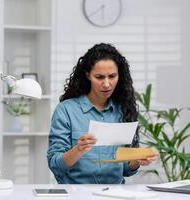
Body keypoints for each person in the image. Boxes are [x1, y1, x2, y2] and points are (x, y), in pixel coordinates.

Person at [47, 43, 154, 184]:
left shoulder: (123, 110)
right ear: (88, 75)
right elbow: (55, 165)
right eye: (99, 77)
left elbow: (125, 170)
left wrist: (136, 161)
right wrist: (78, 150)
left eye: (112, 76)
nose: (107, 84)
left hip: (116, 193)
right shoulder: (66, 110)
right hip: (76, 194)